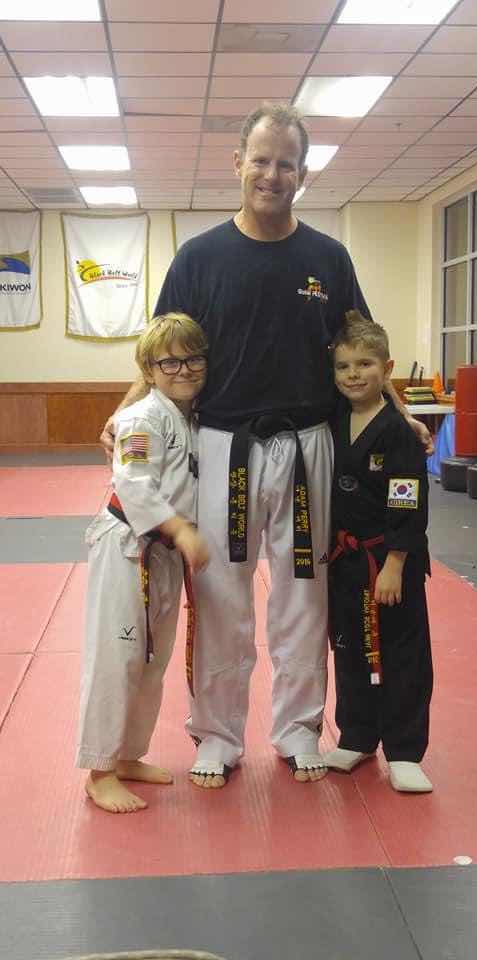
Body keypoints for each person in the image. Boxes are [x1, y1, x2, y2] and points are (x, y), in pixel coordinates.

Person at [101, 102, 431, 789]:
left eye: (286, 164)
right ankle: (218, 735)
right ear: (238, 164)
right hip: (224, 445)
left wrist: (402, 417)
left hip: (310, 446)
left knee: (303, 596)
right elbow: (162, 351)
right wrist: (125, 409)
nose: (272, 175)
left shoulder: (328, 257)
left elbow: (364, 348)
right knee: (220, 594)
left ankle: (298, 728)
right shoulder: (200, 257)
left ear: (303, 174)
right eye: (261, 160)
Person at [77, 313, 209, 812]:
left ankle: (128, 755)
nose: (183, 369)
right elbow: (132, 485)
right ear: (149, 370)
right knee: (118, 657)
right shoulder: (140, 419)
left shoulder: (192, 417)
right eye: (169, 362)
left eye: (192, 358)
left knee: (153, 660)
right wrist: (180, 529)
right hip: (129, 548)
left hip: (165, 555)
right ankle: (99, 771)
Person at [324, 313, 433, 792]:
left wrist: (395, 563)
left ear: (387, 369)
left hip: (389, 561)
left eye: (365, 364)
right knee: (348, 646)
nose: (353, 374)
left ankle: (405, 751)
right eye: (344, 366)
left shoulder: (397, 431)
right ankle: (358, 736)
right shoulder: (334, 418)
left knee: (402, 652)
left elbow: (407, 500)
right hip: (345, 559)